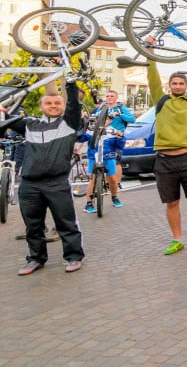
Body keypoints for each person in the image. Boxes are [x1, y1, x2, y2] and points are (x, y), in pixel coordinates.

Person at [5, 82, 85, 274]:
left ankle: (73, 257)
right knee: (33, 226)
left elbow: (74, 102)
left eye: (57, 103)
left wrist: (70, 84)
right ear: (41, 107)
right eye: (48, 103)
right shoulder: (29, 124)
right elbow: (5, 118)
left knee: (65, 223)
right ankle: (35, 258)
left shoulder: (69, 123)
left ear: (63, 106)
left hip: (57, 183)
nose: (53, 106)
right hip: (29, 184)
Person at [147, 58, 187, 255]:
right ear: (169, 86)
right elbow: (152, 77)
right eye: (174, 83)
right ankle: (177, 239)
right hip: (164, 160)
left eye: (181, 83)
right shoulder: (161, 99)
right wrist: (150, 54)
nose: (178, 86)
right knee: (172, 202)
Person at [82, 89, 135, 213]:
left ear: (116, 98)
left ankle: (114, 196)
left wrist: (120, 134)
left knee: (112, 175)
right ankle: (89, 203)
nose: (109, 98)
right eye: (107, 96)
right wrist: (83, 124)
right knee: (93, 178)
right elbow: (82, 135)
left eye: (112, 96)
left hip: (111, 146)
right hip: (94, 154)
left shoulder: (120, 108)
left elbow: (132, 120)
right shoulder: (101, 110)